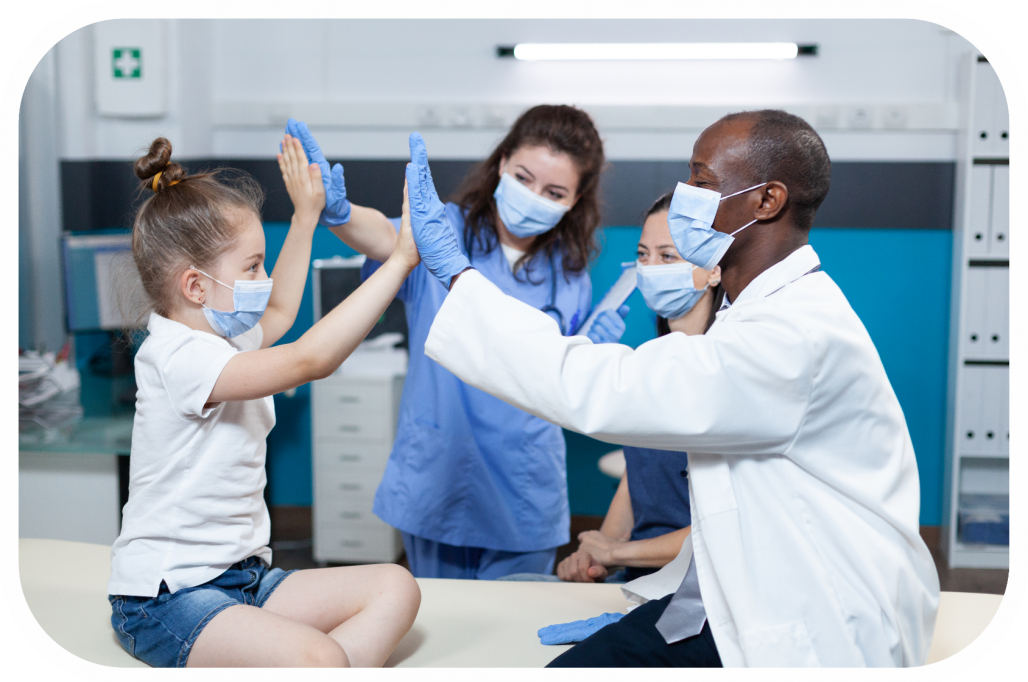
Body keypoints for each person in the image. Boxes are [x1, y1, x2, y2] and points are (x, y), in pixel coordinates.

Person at [402, 109, 940, 667]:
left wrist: (459, 277)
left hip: (821, 620)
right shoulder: (757, 313)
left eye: (702, 182)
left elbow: (610, 389)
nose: (684, 198)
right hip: (752, 590)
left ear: (767, 200)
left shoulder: (790, 335)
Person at [107, 136, 422, 668]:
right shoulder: (178, 356)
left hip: (244, 580)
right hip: (167, 597)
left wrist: (305, 217)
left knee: (397, 586)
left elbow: (278, 313)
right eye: (252, 266)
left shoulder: (223, 339)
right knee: (322, 659)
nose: (263, 278)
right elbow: (309, 359)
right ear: (196, 286)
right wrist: (400, 262)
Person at [286, 106, 629, 580]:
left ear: (575, 200)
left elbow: (553, 378)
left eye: (554, 192)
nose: (533, 198)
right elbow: (386, 235)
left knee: (518, 618)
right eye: (524, 178)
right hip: (438, 472)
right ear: (502, 163)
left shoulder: (570, 277)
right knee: (441, 616)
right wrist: (340, 213)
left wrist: (585, 352)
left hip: (523, 485)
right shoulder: (444, 230)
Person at [511, 191, 722, 585]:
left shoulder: (726, 373)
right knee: (515, 588)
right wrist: (594, 554)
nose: (651, 268)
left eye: (668, 256)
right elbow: (638, 475)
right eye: (643, 255)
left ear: (714, 269)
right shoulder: (650, 363)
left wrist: (617, 553)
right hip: (636, 576)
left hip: (695, 588)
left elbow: (729, 531)